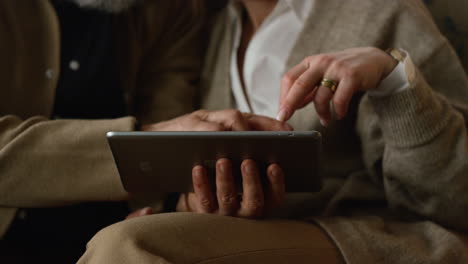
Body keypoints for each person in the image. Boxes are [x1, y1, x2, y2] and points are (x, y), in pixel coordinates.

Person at [79, 0, 468, 263]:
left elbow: (453, 200)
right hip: (252, 234)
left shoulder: (381, 10)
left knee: (126, 248)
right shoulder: (214, 27)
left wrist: (393, 78)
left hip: (369, 236)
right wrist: (189, 205)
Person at [0, 0, 290, 262]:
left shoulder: (172, 11)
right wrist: (145, 141)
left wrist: (187, 201)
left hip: (117, 232)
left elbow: (167, 169)